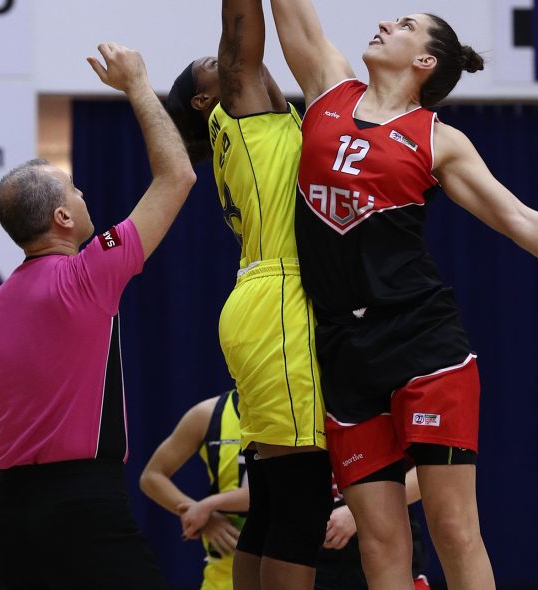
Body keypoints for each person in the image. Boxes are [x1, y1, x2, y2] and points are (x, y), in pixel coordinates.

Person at [268, 3, 538, 589]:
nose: (385, 24)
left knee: (453, 528)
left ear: (426, 62)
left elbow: (520, 219)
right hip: (343, 347)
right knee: (380, 542)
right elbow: (294, 18)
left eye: (405, 25)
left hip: (422, 341)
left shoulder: (439, 141)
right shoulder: (329, 89)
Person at [0, 43, 196, 590]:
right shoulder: (89, 272)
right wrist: (137, 84)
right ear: (63, 217)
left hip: (10, 511)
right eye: (76, 191)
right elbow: (177, 176)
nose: (85, 196)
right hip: (84, 502)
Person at [164, 1, 334, 588]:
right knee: (302, 499)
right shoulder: (238, 114)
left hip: (265, 300)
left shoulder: (269, 121)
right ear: (205, 100)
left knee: (273, 496)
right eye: (211, 66)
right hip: (279, 305)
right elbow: (241, 49)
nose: (227, 61)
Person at [140, 389, 250, 590]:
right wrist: (205, 517)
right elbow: (152, 476)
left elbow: (276, 490)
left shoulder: (298, 412)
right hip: (222, 574)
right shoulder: (208, 413)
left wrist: (208, 505)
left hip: (286, 569)